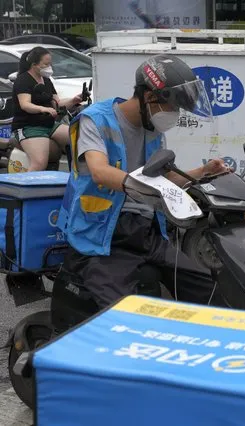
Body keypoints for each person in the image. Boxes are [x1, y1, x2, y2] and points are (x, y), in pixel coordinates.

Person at [57, 54, 229, 309]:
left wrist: (203, 171)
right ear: (150, 98)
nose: (176, 114)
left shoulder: (153, 131)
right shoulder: (95, 120)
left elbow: (160, 178)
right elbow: (99, 171)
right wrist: (142, 188)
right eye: (174, 107)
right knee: (124, 314)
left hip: (145, 232)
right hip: (102, 236)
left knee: (207, 287)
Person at [11, 46, 83, 171]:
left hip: (49, 125)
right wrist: (42, 109)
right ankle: (26, 189)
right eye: (46, 64)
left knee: (81, 138)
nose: (49, 67)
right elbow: (25, 104)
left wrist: (74, 100)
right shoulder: (23, 81)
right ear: (34, 65)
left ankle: (77, 177)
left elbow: (57, 103)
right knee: (39, 164)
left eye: (50, 64)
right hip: (29, 127)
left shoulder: (46, 80)